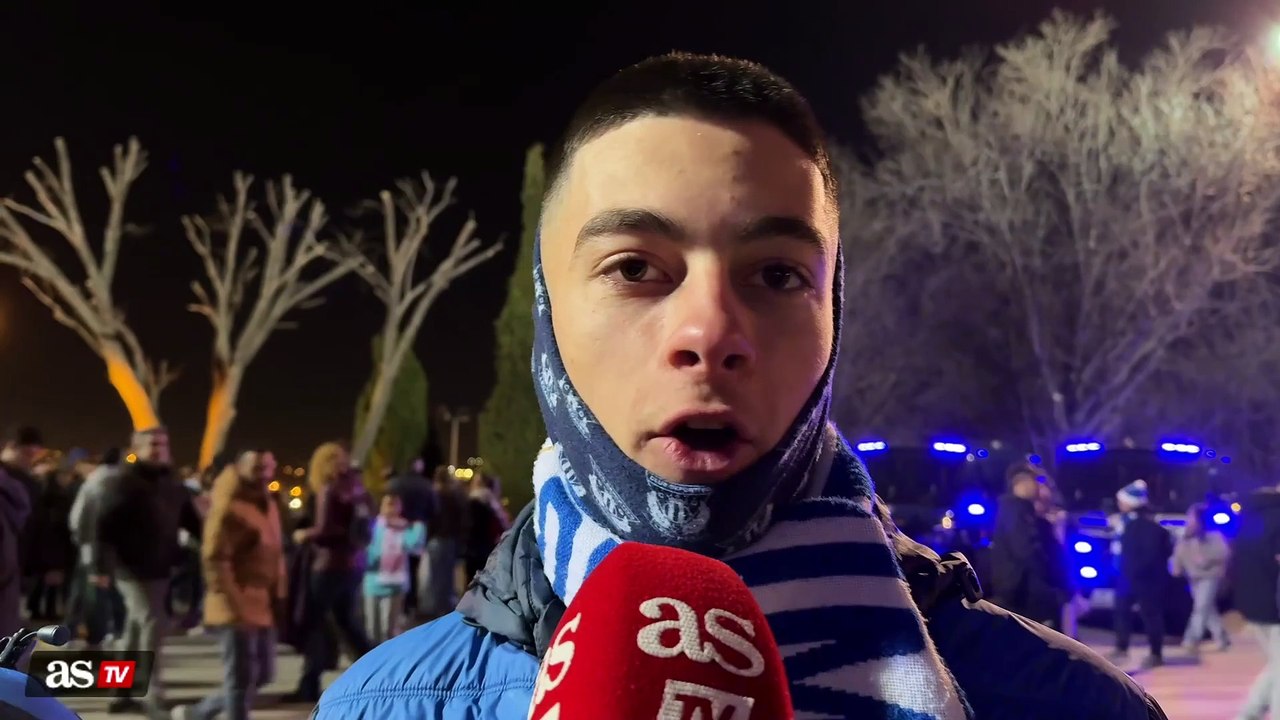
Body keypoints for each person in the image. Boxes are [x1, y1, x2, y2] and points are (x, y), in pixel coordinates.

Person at [313, 52, 1167, 720]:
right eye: (636, 267)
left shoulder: (1070, 706)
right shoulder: (383, 706)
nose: (711, 332)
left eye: (777, 276)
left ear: (835, 316)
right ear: (546, 316)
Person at [94, 426, 201, 716]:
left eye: (163, 444)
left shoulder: (173, 485)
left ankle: (119, 691)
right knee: (154, 621)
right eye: (152, 444)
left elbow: (192, 522)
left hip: (161, 567)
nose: (158, 449)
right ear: (136, 448)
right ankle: (151, 691)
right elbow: (103, 526)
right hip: (131, 569)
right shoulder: (124, 483)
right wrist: (100, 566)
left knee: (134, 628)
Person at [172, 450, 286, 720]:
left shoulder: (266, 503)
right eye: (258, 467)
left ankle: (198, 713)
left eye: (269, 467)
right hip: (235, 604)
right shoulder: (229, 505)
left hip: (261, 602)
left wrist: (279, 593)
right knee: (240, 678)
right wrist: (235, 602)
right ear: (240, 467)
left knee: (264, 674)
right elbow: (215, 558)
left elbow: (274, 552)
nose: (265, 473)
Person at [283, 442, 375, 703]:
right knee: (350, 625)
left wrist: (303, 534)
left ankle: (308, 685)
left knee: (315, 624)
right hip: (353, 565)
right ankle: (381, 672)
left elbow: (324, 530)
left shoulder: (328, 489)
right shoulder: (359, 490)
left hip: (327, 566)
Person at [989, 462, 1069, 629]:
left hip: (1029, 594)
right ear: (1023, 484)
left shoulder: (1024, 512)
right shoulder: (1016, 511)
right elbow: (1025, 551)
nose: (1038, 487)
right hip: (1024, 595)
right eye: (1035, 481)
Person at [1109, 480, 1173, 669]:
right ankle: (1126, 648)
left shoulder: (1141, 527)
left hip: (1139, 579)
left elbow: (1149, 554)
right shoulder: (1127, 524)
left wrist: (1131, 571)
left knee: (1149, 615)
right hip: (1135, 578)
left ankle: (1154, 652)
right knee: (1127, 613)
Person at [1229, 483, 1280, 720]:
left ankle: (1249, 714)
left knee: (1276, 664)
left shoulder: (1250, 517)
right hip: (1274, 603)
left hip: (1253, 601)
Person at [361, 491, 425, 643]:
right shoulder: (374, 526)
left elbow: (414, 545)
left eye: (394, 505)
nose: (390, 509)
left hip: (394, 584)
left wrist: (418, 527)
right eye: (387, 504)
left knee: (387, 630)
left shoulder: (404, 527)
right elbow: (365, 548)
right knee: (371, 629)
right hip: (372, 582)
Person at [1172, 502, 1230, 657]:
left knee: (1201, 607)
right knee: (1207, 609)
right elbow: (1179, 552)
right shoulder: (1185, 536)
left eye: (1192, 517)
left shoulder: (1213, 535)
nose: (1190, 520)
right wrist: (1177, 566)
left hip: (1210, 576)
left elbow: (1223, 553)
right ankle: (1222, 638)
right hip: (1193, 576)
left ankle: (1191, 640)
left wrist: (1205, 559)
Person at [384, 459, 434, 616]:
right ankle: (411, 602)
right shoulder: (426, 485)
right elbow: (434, 509)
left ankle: (399, 604)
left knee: (397, 565)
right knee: (413, 569)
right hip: (417, 530)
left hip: (395, 529)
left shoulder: (395, 484)